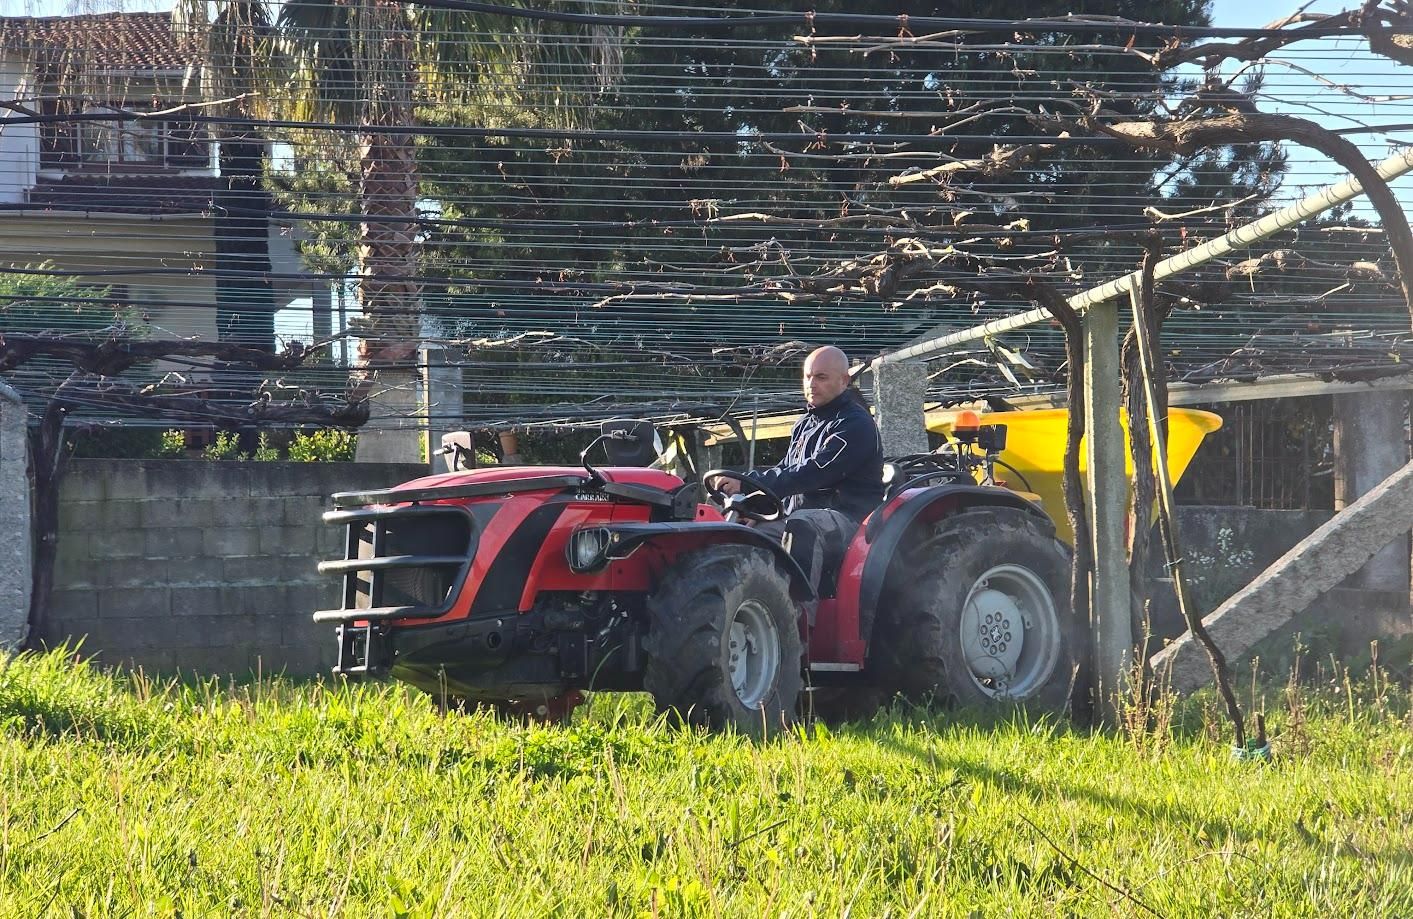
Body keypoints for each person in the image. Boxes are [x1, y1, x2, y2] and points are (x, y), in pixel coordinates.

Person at [715, 346, 884, 598]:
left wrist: (748, 484)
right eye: (808, 376)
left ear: (844, 380)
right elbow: (786, 469)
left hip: (849, 518)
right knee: (746, 534)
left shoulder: (855, 425)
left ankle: (798, 619)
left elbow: (813, 473)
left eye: (821, 377)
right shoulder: (805, 424)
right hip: (799, 513)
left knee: (801, 526)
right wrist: (756, 506)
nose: (811, 384)